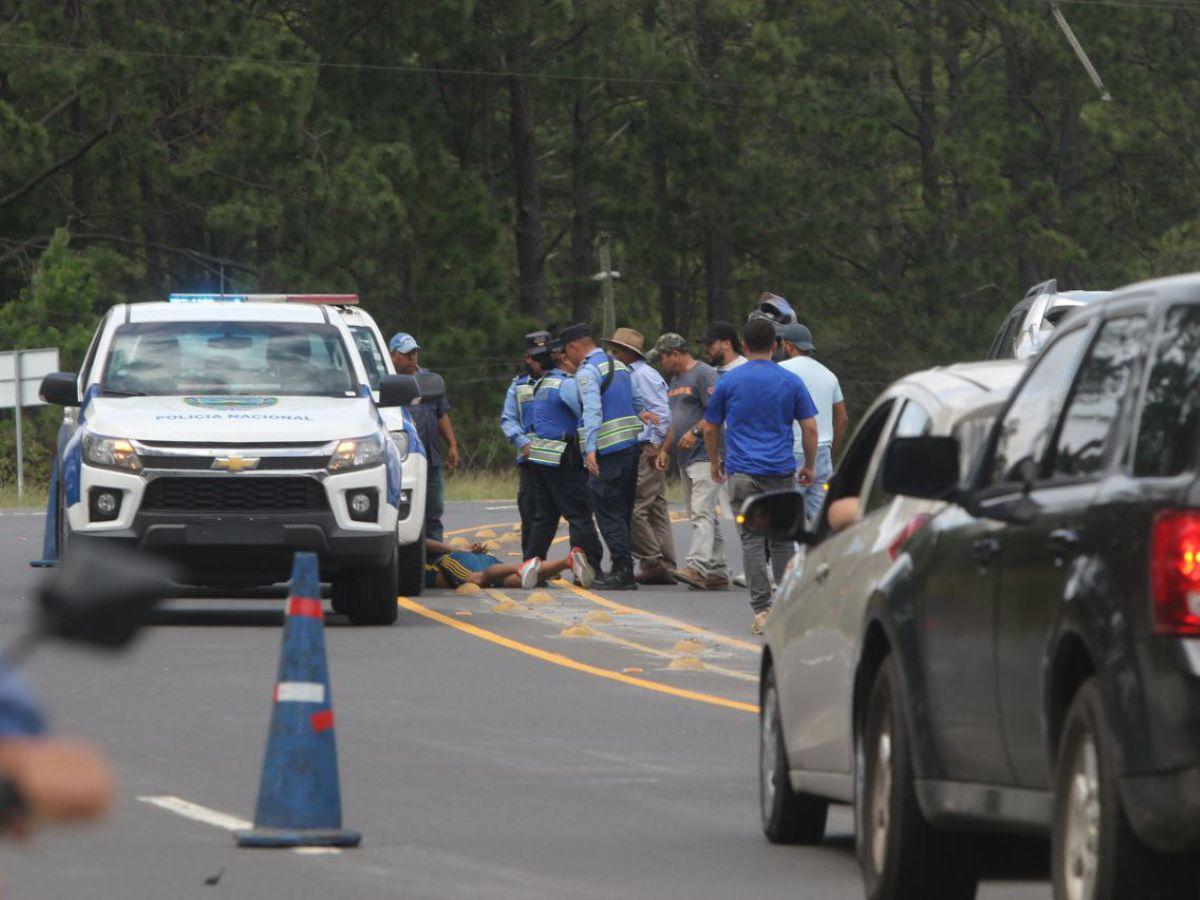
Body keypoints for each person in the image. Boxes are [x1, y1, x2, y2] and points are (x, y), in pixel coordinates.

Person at [701, 317, 819, 634]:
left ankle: (762, 610)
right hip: (780, 470)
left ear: (744, 343)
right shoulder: (790, 381)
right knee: (781, 541)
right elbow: (809, 428)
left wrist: (715, 461)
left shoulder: (728, 382)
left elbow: (710, 428)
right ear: (776, 345)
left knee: (752, 541)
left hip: (741, 471)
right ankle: (783, 606)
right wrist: (808, 466)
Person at [560, 323, 657, 591]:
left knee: (607, 510)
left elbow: (592, 411)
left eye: (569, 352)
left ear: (574, 347)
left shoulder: (588, 372)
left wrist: (590, 448)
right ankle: (623, 568)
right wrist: (644, 414)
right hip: (629, 448)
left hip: (607, 450)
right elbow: (637, 399)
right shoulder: (620, 366)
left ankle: (622, 569)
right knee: (623, 509)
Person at [649, 333, 730, 591]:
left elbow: (717, 412)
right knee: (700, 513)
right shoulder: (674, 380)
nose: (661, 363)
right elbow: (676, 419)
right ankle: (717, 571)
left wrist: (696, 432)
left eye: (662, 357)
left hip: (707, 453)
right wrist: (665, 449)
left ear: (675, 353)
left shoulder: (704, 374)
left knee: (701, 510)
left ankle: (696, 566)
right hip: (685, 458)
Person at [525, 337, 605, 577]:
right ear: (564, 359)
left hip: (541, 458)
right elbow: (584, 413)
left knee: (545, 517)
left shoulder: (541, 384)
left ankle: (531, 567)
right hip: (562, 457)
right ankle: (590, 568)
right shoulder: (567, 384)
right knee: (579, 514)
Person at [603, 327, 676, 585]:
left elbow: (661, 412)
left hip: (646, 446)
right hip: (646, 445)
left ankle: (652, 559)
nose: (611, 356)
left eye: (615, 351)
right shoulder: (634, 373)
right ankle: (666, 563)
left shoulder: (642, 376)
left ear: (628, 353)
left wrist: (655, 442)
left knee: (634, 507)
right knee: (656, 507)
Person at [390, 332, 459, 543]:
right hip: (402, 460)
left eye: (415, 353)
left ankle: (435, 562)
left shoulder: (428, 379)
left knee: (433, 513)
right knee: (402, 513)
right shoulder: (387, 380)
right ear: (393, 355)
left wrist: (453, 445)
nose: (412, 358)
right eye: (407, 354)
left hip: (431, 459)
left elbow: (441, 414)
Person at [778, 323, 848, 525]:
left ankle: (795, 556)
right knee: (821, 515)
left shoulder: (781, 371)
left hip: (795, 449)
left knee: (790, 514)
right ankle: (827, 553)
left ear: (789, 345)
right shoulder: (829, 375)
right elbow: (842, 418)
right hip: (823, 449)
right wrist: (832, 448)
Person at [500, 331, 553, 559]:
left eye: (545, 356)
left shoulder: (564, 380)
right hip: (530, 459)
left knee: (556, 512)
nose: (541, 362)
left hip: (558, 457)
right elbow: (508, 419)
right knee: (530, 512)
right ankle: (530, 562)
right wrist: (523, 443)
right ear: (527, 358)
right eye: (536, 357)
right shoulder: (519, 386)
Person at [424, 539, 595, 590]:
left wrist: (456, 548)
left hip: (452, 560)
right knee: (518, 581)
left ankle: (520, 567)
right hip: (485, 567)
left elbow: (421, 541)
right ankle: (568, 562)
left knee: (476, 579)